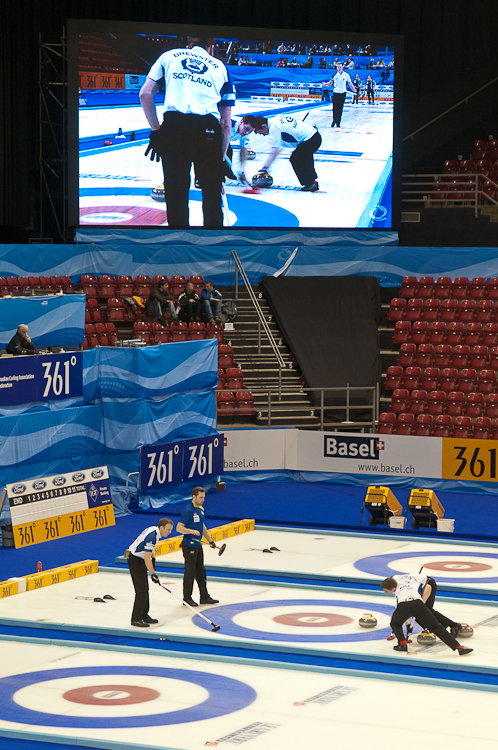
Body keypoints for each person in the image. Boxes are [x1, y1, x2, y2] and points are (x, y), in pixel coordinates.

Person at [139, 36, 235, 228]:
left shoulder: (169, 56)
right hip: (207, 130)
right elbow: (225, 122)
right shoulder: (221, 67)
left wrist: (156, 131)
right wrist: (222, 157)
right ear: (211, 48)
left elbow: (145, 93)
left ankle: (178, 243)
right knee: (211, 193)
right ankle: (213, 244)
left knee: (175, 193)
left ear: (188, 44)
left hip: (174, 127)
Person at [381, 574, 473, 655]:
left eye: (386, 591)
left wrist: (408, 625)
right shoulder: (405, 580)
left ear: (393, 588)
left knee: (395, 624)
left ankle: (402, 644)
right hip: (418, 604)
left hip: (404, 605)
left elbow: (398, 611)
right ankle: (459, 647)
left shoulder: (396, 590)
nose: (385, 592)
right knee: (436, 626)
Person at [253, 114, 322, 192]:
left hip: (311, 139)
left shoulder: (274, 129)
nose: (264, 135)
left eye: (261, 133)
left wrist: (265, 167)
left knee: (296, 159)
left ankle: (310, 183)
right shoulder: (276, 118)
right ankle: (312, 181)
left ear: (264, 126)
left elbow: (275, 151)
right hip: (313, 135)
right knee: (304, 156)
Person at [176, 486, 219, 607]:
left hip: (198, 545)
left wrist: (210, 540)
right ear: (193, 497)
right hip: (189, 545)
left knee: (201, 571)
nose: (203, 500)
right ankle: (187, 598)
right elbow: (179, 528)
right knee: (190, 571)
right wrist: (190, 531)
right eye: (201, 497)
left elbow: (202, 526)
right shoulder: (188, 510)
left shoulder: (201, 509)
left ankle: (204, 596)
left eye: (204, 497)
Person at [127, 518, 173, 627]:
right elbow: (147, 557)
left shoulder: (155, 531)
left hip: (140, 559)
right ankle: (136, 618)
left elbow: (149, 553)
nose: (169, 532)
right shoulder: (152, 536)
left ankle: (144, 615)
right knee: (141, 591)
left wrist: (153, 558)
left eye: (170, 530)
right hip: (136, 560)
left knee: (145, 589)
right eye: (168, 530)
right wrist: (153, 574)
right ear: (161, 528)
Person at [324, 62, 357, 127]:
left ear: (342, 68)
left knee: (340, 108)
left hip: (342, 94)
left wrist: (355, 91)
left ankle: (338, 122)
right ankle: (334, 120)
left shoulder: (346, 75)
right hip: (335, 94)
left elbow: (350, 84)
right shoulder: (334, 75)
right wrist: (325, 84)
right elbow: (330, 83)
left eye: (340, 67)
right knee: (334, 108)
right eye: (338, 67)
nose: (339, 68)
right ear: (336, 68)